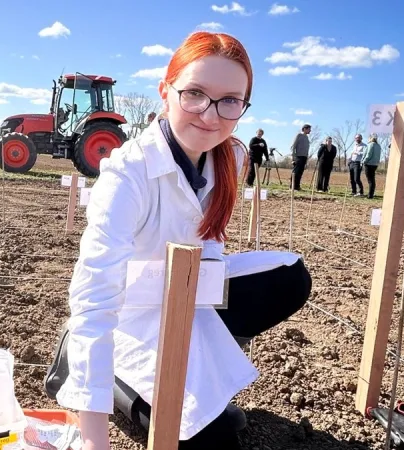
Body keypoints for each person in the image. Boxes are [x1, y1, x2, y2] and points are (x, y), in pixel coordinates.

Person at [43, 31, 312, 450]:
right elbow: (96, 300)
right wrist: (94, 440)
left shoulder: (231, 157)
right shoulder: (126, 175)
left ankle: (201, 383)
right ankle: (116, 378)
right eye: (195, 94)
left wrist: (207, 365)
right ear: (165, 92)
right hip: (131, 316)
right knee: (215, 444)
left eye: (230, 100)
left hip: (186, 296)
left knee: (291, 279)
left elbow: (211, 246)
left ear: (243, 105)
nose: (210, 114)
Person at [290, 124, 311, 190]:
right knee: (296, 172)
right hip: (298, 157)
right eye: (309, 129)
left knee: (300, 173)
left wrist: (307, 159)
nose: (310, 131)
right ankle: (292, 186)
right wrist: (293, 158)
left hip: (304, 157)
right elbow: (293, 147)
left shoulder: (307, 137)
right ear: (304, 129)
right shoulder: (299, 135)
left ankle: (297, 186)